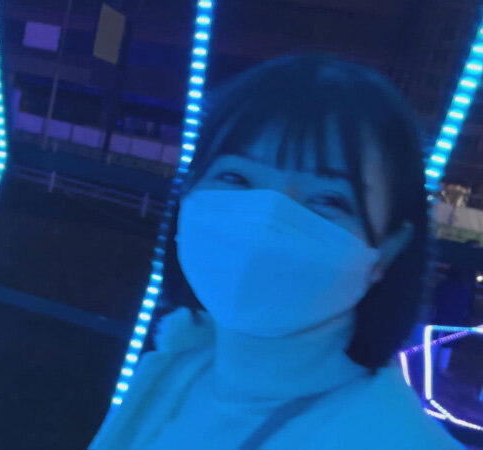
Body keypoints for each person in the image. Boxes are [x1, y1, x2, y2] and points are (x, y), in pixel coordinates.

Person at [90, 56, 463, 449]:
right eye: (235, 177)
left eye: (329, 200)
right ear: (190, 190)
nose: (267, 220)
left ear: (387, 249)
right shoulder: (168, 376)